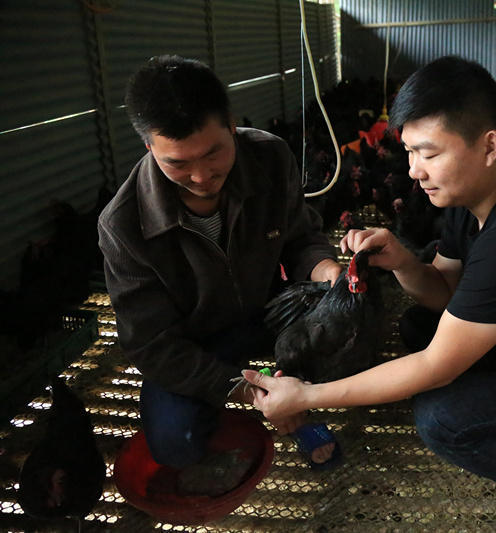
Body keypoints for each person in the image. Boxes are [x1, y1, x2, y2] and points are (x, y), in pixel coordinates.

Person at [242, 55, 496, 532]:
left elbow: (435, 366)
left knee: (442, 418)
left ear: (489, 145)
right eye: (409, 152)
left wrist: (307, 396)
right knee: (419, 324)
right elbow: (443, 291)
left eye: (429, 154)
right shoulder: (470, 201)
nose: (415, 170)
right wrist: (403, 261)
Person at [98, 55, 342, 481]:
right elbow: (152, 345)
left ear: (232, 125)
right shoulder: (123, 226)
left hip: (270, 311)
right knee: (176, 444)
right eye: (177, 163)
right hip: (195, 342)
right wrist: (246, 389)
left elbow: (301, 238)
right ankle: (268, 400)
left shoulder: (270, 156)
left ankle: (293, 396)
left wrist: (325, 270)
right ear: (149, 148)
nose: (201, 176)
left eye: (214, 153)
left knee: (348, 335)